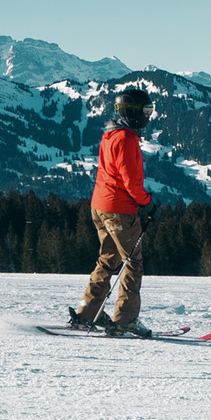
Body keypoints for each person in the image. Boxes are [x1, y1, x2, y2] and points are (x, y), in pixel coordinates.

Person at [68, 87, 156, 338]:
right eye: (146, 111)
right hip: (120, 209)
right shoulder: (126, 138)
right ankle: (125, 320)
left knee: (107, 260)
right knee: (132, 262)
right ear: (133, 112)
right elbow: (131, 181)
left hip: (100, 206)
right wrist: (147, 203)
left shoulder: (110, 135)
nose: (149, 117)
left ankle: (87, 314)